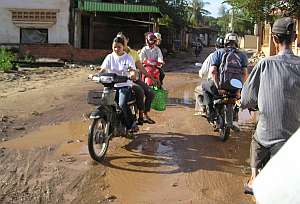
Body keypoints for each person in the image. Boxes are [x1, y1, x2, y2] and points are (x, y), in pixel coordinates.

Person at [241, 17, 300, 195]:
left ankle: (254, 179)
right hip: (293, 139)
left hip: (268, 135)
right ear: (295, 38)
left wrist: (247, 105)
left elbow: (247, 97)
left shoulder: (265, 64)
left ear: (274, 39)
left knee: (256, 139)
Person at [202, 32, 248, 130]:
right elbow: (244, 74)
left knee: (204, 86)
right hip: (235, 89)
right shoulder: (242, 55)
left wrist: (218, 88)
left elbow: (213, 71)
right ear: (237, 42)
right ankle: (234, 116)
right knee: (239, 100)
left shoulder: (218, 53)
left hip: (220, 87)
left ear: (226, 42)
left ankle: (211, 112)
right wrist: (239, 90)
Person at [98, 36, 139, 132]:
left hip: (124, 85)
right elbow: (103, 68)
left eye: (119, 47)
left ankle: (131, 124)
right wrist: (98, 74)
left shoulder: (128, 58)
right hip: (111, 85)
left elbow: (132, 70)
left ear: (123, 47)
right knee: (105, 103)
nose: (116, 49)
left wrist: (132, 74)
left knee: (121, 104)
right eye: (114, 47)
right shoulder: (109, 57)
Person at [116, 32, 156, 125]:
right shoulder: (115, 53)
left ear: (127, 40)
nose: (120, 42)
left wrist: (151, 78)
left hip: (133, 79)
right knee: (139, 91)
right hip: (120, 80)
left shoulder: (133, 53)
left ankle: (144, 114)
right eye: (118, 39)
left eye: (122, 39)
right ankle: (140, 115)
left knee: (150, 93)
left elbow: (141, 67)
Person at [194, 37, 225, 116]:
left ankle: (204, 109)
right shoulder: (233, 55)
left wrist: (201, 74)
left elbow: (204, 72)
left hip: (216, 85)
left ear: (216, 46)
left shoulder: (213, 55)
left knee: (199, 89)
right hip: (231, 86)